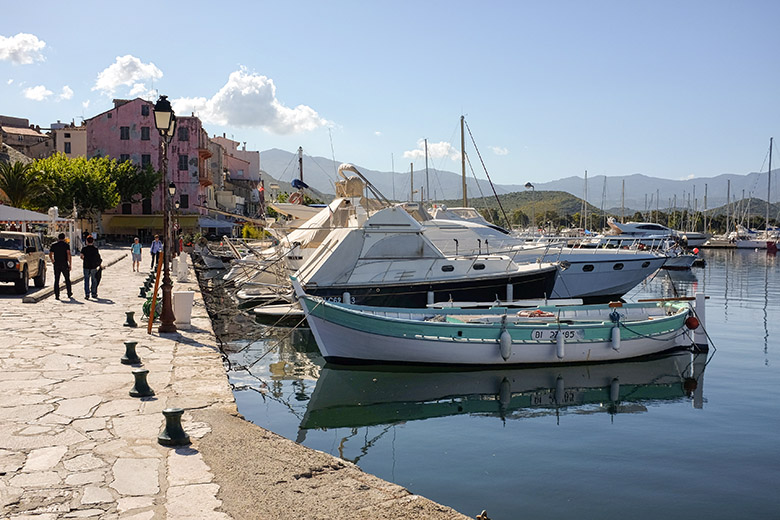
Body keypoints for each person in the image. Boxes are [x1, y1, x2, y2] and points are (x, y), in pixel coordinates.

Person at [49, 233, 72, 300]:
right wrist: (70, 264)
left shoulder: (54, 245)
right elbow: (68, 254)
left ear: (58, 238)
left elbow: (50, 254)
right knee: (67, 279)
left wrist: (52, 260)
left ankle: (57, 295)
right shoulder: (66, 245)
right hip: (64, 263)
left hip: (57, 264)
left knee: (56, 280)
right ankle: (69, 293)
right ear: (64, 238)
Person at [80, 235, 102, 299]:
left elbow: (81, 256)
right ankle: (94, 293)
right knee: (94, 280)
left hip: (86, 266)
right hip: (93, 266)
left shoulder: (84, 249)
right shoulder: (95, 249)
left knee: (86, 280)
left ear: (86, 241)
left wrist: (85, 258)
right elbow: (98, 257)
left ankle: (87, 294)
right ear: (93, 241)